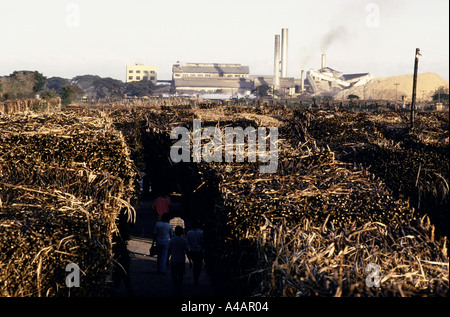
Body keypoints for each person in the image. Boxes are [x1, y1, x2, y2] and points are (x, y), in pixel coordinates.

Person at [169, 226, 190, 295]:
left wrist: (167, 259)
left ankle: (176, 286)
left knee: (174, 275)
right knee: (181, 274)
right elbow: (187, 251)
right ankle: (179, 287)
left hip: (174, 259)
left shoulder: (172, 240)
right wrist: (190, 260)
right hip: (181, 259)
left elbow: (169, 250)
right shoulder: (184, 240)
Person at [186, 220, 204, 286]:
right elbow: (203, 242)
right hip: (199, 250)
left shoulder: (189, 233)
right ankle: (197, 277)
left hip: (192, 250)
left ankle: (195, 278)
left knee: (195, 265)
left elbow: (187, 242)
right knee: (199, 265)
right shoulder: (201, 232)